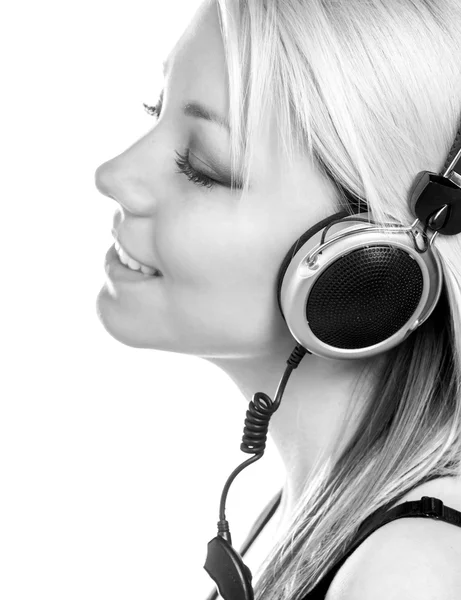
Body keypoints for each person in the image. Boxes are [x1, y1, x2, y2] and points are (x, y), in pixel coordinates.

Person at [94, 0, 461, 597]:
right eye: (153, 110)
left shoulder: (409, 571)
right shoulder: (315, 507)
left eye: (206, 167)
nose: (114, 173)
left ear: (370, 269)